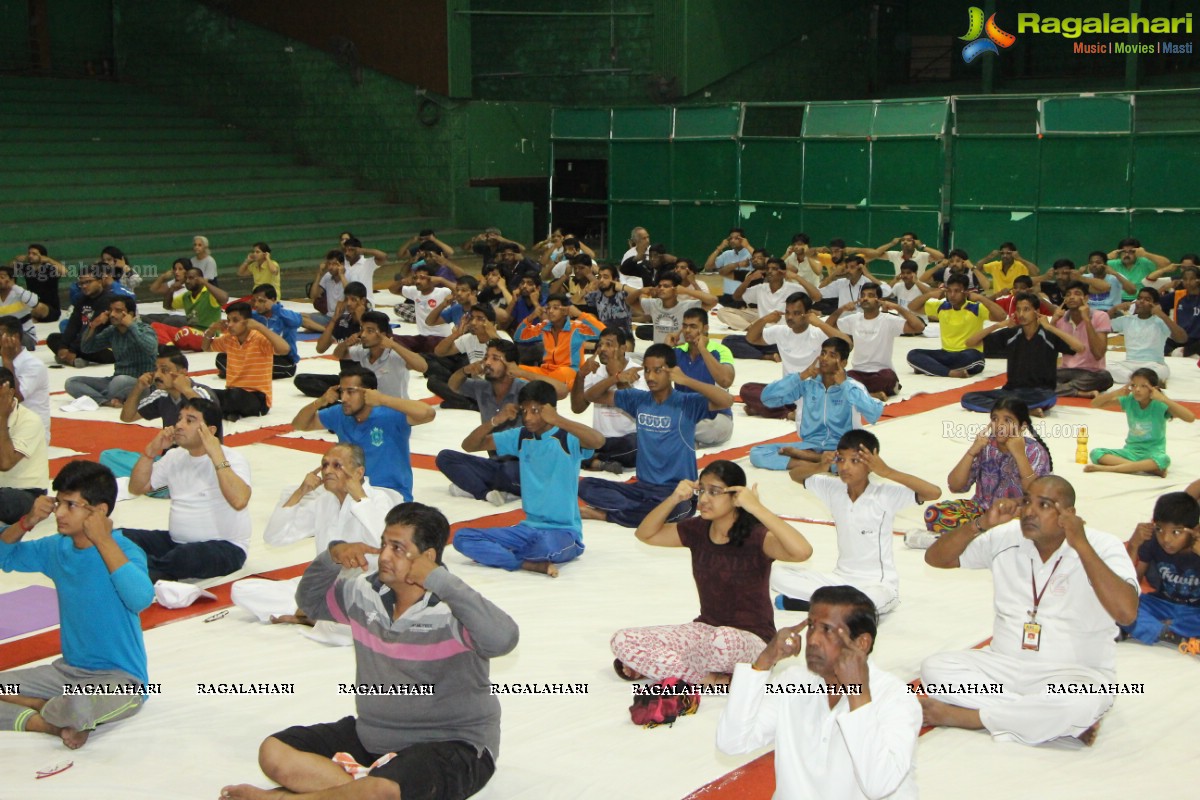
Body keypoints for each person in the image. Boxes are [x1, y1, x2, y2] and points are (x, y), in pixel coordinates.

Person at [219, 503, 518, 800]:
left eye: (398, 548)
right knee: (274, 752)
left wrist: (440, 579)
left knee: (382, 790)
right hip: (372, 736)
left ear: (428, 558)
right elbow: (310, 602)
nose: (384, 555)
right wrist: (331, 557)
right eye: (384, 544)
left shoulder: (453, 609)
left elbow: (503, 639)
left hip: (452, 744)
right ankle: (356, 791)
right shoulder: (365, 593)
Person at [920, 476, 1139, 747]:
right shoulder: (1005, 537)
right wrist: (981, 524)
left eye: (1044, 504)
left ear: (1068, 514)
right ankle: (1045, 719)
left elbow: (1126, 613)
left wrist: (1081, 545)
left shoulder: (1103, 545)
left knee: (1081, 701)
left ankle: (975, 717)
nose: (1029, 512)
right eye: (1026, 501)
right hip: (1003, 668)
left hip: (1075, 675)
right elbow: (936, 558)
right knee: (935, 670)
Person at [611, 461, 813, 683]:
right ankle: (710, 679)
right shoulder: (697, 529)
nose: (704, 499)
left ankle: (672, 668)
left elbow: (802, 551)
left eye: (714, 492)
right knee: (622, 640)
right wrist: (674, 498)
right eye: (701, 491)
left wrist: (756, 507)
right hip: (706, 630)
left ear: (736, 496)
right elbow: (645, 534)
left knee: (723, 641)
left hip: (751, 639)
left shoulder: (756, 536)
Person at [0, 461, 153, 749]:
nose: (58, 512)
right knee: (70, 704)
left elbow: (141, 599)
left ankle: (56, 711)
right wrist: (26, 521)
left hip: (121, 681)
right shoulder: (57, 548)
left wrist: (103, 539)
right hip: (66, 674)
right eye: (58, 502)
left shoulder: (125, 551)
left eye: (70, 505)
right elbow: (3, 555)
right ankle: (46, 720)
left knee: (81, 704)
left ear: (100, 511)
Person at [716, 585, 921, 800]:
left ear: (861, 643)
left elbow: (879, 785)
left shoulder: (895, 697)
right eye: (812, 626)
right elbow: (732, 742)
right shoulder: (794, 682)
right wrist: (764, 661)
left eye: (827, 630)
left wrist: (856, 692)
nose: (812, 640)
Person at [232, 444, 401, 640]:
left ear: (359, 472)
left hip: (365, 588)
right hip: (323, 587)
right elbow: (274, 537)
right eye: (325, 465)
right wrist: (301, 491)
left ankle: (316, 615)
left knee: (367, 615)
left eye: (337, 466)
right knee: (241, 590)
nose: (328, 470)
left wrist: (360, 498)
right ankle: (316, 614)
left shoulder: (379, 499)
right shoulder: (324, 501)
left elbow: (386, 545)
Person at [773, 430, 940, 615]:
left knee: (871, 602)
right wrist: (820, 466)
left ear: (871, 465)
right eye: (841, 460)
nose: (845, 467)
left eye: (855, 461)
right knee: (775, 574)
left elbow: (933, 492)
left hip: (876, 585)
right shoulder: (833, 488)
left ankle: (820, 605)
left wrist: (887, 471)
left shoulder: (884, 495)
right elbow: (795, 475)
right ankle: (839, 607)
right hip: (840, 581)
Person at [453, 380, 604, 577]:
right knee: (462, 538)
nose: (527, 418)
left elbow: (598, 441)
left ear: (550, 410)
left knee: (543, 548)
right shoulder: (521, 436)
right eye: (524, 411)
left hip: (564, 532)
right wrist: (495, 420)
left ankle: (510, 557)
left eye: (535, 411)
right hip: (527, 529)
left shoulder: (567, 438)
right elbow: (469, 446)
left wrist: (558, 419)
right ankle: (527, 564)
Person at [579, 343, 734, 527]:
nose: (650, 376)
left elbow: (727, 400)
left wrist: (687, 381)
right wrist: (617, 377)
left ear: (671, 371)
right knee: (585, 486)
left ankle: (607, 515)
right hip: (642, 488)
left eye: (658, 370)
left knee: (681, 510)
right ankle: (641, 509)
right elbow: (591, 396)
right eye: (646, 370)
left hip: (677, 492)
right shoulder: (638, 399)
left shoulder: (686, 403)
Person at [126, 397, 251, 581]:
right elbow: (137, 488)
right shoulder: (175, 456)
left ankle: (133, 572)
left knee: (185, 557)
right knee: (120, 537)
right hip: (176, 543)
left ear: (210, 431)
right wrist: (150, 452)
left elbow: (239, 501)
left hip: (225, 548)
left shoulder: (232, 458)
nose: (179, 425)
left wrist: (216, 455)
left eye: (189, 420)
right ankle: (141, 567)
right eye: (179, 419)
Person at [910, 397, 1051, 549]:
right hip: (981, 512)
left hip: (1013, 515)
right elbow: (955, 486)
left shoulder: (1035, 452)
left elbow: (1035, 494)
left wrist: (1019, 455)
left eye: (1007, 420)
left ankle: (967, 540)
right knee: (934, 513)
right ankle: (985, 541)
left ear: (1022, 426)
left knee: (1025, 528)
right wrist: (972, 451)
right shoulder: (986, 445)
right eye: (995, 419)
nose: (999, 426)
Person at [749, 338, 885, 485]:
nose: (825, 359)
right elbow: (767, 399)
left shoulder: (852, 387)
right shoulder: (808, 385)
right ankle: (817, 464)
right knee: (757, 453)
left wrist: (844, 385)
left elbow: (874, 414)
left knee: (864, 462)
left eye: (832, 355)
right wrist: (801, 376)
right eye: (823, 353)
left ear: (844, 363)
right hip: (810, 444)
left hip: (841, 448)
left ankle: (807, 458)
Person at [291, 366, 436, 501]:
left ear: (368, 392)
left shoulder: (390, 414)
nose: (344, 398)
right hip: (348, 490)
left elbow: (428, 413)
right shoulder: (340, 413)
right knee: (297, 499)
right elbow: (300, 424)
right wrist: (320, 401)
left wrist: (383, 399)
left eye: (351, 392)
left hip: (389, 494)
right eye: (341, 391)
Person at [437, 339, 553, 505]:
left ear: (510, 365)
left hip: (524, 464)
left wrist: (522, 372)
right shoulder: (481, 387)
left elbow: (560, 391)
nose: (487, 363)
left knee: (508, 470)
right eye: (486, 358)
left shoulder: (525, 390)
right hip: (496, 461)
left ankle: (477, 486)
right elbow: (453, 385)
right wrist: (465, 370)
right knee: (445, 457)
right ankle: (487, 493)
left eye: (495, 358)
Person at [959, 292, 1085, 414]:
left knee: (1049, 398)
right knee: (968, 398)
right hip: (1011, 391)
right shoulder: (1012, 333)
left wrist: (1050, 327)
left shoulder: (1048, 334)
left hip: (1040, 393)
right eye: (1018, 310)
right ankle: (1023, 409)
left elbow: (1080, 348)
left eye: (1026, 309)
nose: (1021, 314)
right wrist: (997, 325)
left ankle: (1010, 408)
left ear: (1037, 311)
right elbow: (970, 343)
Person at [739, 292, 847, 418]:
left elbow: (847, 344)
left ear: (808, 314)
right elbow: (751, 338)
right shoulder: (781, 331)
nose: (790, 317)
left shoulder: (818, 334)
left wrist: (820, 323)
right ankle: (788, 413)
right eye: (787, 312)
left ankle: (772, 410)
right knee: (747, 389)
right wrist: (764, 320)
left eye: (796, 313)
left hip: (811, 391)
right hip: (788, 390)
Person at [1119, 491, 1200, 648]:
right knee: (1119, 604)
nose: (1166, 539)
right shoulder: (1152, 541)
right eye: (1159, 529)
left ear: (1195, 530)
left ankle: (1147, 629)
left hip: (1195, 610)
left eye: (1176, 532)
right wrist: (1134, 546)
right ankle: (1170, 634)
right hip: (1160, 603)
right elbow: (1129, 585)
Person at [1085, 369, 1195, 476]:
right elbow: (1094, 404)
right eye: (1134, 385)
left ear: (1154, 388)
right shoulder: (1129, 400)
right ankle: (1146, 469)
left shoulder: (1159, 404)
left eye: (1143, 386)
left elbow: (1190, 418)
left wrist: (1164, 399)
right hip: (1130, 451)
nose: (1137, 389)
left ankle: (1107, 468)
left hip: (1153, 453)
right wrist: (1116, 392)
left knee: (1164, 459)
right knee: (1096, 453)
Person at [828, 283, 925, 400]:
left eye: (870, 295)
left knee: (887, 378)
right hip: (858, 373)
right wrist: (842, 309)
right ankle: (871, 394)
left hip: (881, 373)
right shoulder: (853, 319)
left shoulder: (888, 320)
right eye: (863, 295)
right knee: (838, 379)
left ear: (879, 300)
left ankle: (859, 392)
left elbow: (919, 327)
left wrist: (898, 308)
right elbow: (828, 325)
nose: (865, 298)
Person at [203, 301, 293, 420]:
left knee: (233, 395)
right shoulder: (229, 339)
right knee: (204, 392)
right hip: (232, 392)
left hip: (258, 398)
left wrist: (260, 327)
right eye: (228, 320)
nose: (230, 325)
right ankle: (229, 410)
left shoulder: (259, 338)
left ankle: (224, 410)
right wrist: (211, 330)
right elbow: (206, 347)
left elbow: (285, 349)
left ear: (248, 322)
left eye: (235, 320)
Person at [905, 274, 1007, 378]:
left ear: (966, 292)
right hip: (946, 353)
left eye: (957, 291)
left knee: (971, 358)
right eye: (949, 291)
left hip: (969, 355)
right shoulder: (941, 306)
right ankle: (949, 372)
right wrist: (930, 294)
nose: (952, 295)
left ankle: (932, 368)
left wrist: (981, 298)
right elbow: (912, 307)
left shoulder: (976, 308)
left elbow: (1002, 316)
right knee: (913, 354)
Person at [572, 327, 644, 474]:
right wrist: (580, 376)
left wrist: (618, 377)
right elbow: (577, 408)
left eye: (609, 344)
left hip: (628, 438)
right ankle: (602, 460)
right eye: (600, 345)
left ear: (623, 348)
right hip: (599, 439)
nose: (602, 349)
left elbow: (637, 410)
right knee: (565, 436)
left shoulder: (638, 371)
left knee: (641, 445)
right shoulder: (595, 370)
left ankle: (593, 460)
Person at [65, 296, 159, 407]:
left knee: (120, 381)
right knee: (71, 382)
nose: (112, 315)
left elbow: (151, 348)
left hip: (142, 383)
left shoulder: (145, 329)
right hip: (115, 381)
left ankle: (107, 395)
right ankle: (106, 401)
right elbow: (87, 348)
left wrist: (131, 326)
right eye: (111, 310)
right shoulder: (112, 331)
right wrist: (93, 326)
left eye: (118, 311)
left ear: (131, 314)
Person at [674, 307, 735, 447]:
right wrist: (665, 347)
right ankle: (684, 435)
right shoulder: (677, 351)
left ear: (705, 328)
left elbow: (726, 381)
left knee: (714, 428)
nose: (687, 330)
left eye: (693, 326)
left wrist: (703, 349)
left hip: (715, 415)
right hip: (684, 414)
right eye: (685, 326)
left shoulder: (720, 350)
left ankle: (678, 435)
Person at [514, 293, 603, 388]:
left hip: (569, 371)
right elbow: (518, 337)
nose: (550, 311)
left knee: (560, 374)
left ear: (565, 311)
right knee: (518, 369)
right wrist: (531, 317)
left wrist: (579, 314)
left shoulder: (576, 328)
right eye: (548, 308)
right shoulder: (544, 327)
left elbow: (603, 332)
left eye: (555, 308)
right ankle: (537, 383)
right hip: (546, 371)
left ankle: (534, 383)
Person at [333, 310, 427, 399]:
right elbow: (338, 354)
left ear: (383, 334)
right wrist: (345, 343)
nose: (363, 335)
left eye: (369, 331)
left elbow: (423, 367)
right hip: (370, 408)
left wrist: (394, 345)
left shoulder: (394, 355)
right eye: (362, 330)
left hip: (395, 409)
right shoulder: (363, 351)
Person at [1108, 287, 1188, 386]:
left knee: (1161, 372)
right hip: (1129, 364)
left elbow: (1182, 338)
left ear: (1156, 305)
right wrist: (1114, 309)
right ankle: (1141, 381)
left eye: (1147, 299)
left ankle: (1135, 380)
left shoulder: (1160, 322)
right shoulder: (1127, 320)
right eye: (1139, 298)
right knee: (1107, 366)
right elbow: (1100, 325)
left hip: (1154, 365)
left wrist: (1162, 315)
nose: (1141, 301)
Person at [120, 346, 218, 426]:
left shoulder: (201, 392)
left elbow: (211, 419)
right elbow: (127, 417)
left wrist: (186, 390)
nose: (157, 375)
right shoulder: (161, 395)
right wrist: (138, 388)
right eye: (155, 370)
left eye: (164, 370)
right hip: (172, 449)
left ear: (182, 372)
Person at [0, 367, 48, 524]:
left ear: (10, 393)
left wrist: (2, 418)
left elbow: (6, 463)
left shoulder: (30, 420)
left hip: (26, 493)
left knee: (4, 501)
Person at [46, 263, 116, 368]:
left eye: (88, 282)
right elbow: (73, 325)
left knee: (88, 347)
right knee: (52, 338)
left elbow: (94, 329)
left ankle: (69, 358)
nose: (84, 286)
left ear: (100, 281)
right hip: (84, 340)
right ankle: (73, 359)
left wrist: (73, 349)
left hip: (106, 345)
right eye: (81, 283)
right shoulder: (82, 299)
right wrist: (63, 347)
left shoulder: (108, 300)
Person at [1053, 282, 1114, 398]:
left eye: (1077, 294)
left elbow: (1098, 354)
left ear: (1086, 298)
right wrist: (1053, 322)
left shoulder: (1100, 316)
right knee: (1037, 377)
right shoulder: (1061, 318)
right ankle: (1078, 392)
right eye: (1068, 294)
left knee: (1105, 378)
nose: (1071, 297)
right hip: (1065, 371)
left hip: (1091, 372)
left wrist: (1087, 320)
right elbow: (1048, 351)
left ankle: (1060, 389)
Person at [631, 271, 716, 344]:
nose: (661, 288)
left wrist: (686, 291)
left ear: (676, 290)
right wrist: (640, 291)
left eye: (666, 286)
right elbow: (629, 302)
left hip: (679, 352)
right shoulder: (654, 304)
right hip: (659, 352)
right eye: (660, 286)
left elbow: (713, 301)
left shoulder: (687, 306)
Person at [0, 315, 49, 440]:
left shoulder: (34, 365)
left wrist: (7, 360)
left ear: (14, 337)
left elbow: (15, 398)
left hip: (31, 433)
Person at [238, 284, 303, 379]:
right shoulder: (253, 316)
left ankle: (244, 371)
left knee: (253, 366)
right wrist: (245, 309)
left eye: (261, 301)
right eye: (254, 301)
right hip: (259, 357)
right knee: (222, 358)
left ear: (272, 300)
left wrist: (274, 308)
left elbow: (298, 321)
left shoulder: (284, 315)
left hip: (283, 360)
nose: (256, 305)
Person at [851, 230, 945, 277]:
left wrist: (922, 246)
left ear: (915, 243)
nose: (905, 242)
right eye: (903, 240)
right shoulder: (895, 255)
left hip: (917, 289)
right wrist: (891, 243)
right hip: (898, 290)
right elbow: (876, 253)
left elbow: (940, 256)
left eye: (909, 240)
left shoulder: (922, 256)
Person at [12, 243, 65, 322]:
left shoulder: (50, 269)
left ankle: (29, 317)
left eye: (34, 254)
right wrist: (16, 260)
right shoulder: (27, 268)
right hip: (32, 303)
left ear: (43, 256)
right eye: (29, 253)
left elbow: (64, 271)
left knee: (38, 307)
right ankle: (31, 318)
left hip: (50, 309)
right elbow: (8, 269)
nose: (30, 256)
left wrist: (49, 260)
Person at [0, 264, 48, 350]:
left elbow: (34, 303)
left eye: (2, 277)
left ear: (12, 279)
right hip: (2, 336)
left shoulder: (20, 294)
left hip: (25, 336)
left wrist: (14, 286)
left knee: (9, 341)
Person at [1159, 263, 1200, 356]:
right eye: (1185, 279)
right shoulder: (1178, 295)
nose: (1188, 282)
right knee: (1157, 343)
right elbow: (1154, 301)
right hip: (1180, 337)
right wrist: (1163, 288)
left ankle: (1183, 353)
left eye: (1192, 279)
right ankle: (1178, 353)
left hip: (1197, 340)